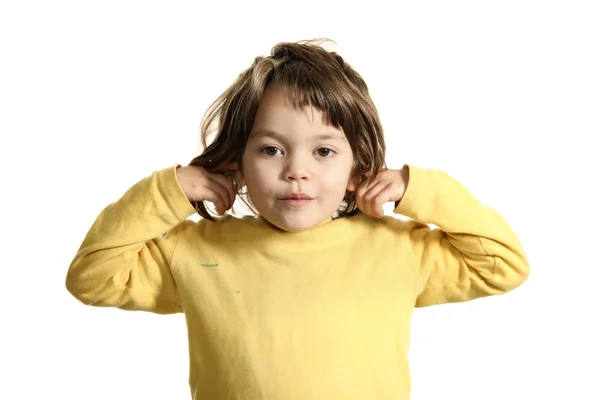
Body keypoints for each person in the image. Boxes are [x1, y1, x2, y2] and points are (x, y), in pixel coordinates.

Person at [65, 38, 530, 399]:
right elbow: (92, 277)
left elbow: (504, 265)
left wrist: (422, 189)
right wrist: (167, 192)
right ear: (238, 165)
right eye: (271, 150)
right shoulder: (198, 249)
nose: (296, 170)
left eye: (323, 150)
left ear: (357, 168)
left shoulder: (396, 247)